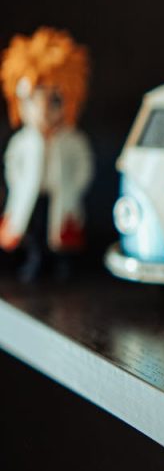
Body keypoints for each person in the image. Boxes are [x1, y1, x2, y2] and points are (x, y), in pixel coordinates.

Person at [0, 28, 94, 282]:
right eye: (33, 99)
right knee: (33, 233)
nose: (43, 110)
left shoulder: (72, 140)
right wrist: (18, 186)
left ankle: (62, 266)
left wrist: (73, 187)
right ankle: (34, 262)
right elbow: (13, 166)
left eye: (54, 100)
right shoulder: (23, 141)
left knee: (63, 234)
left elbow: (83, 168)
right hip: (31, 196)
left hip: (61, 195)